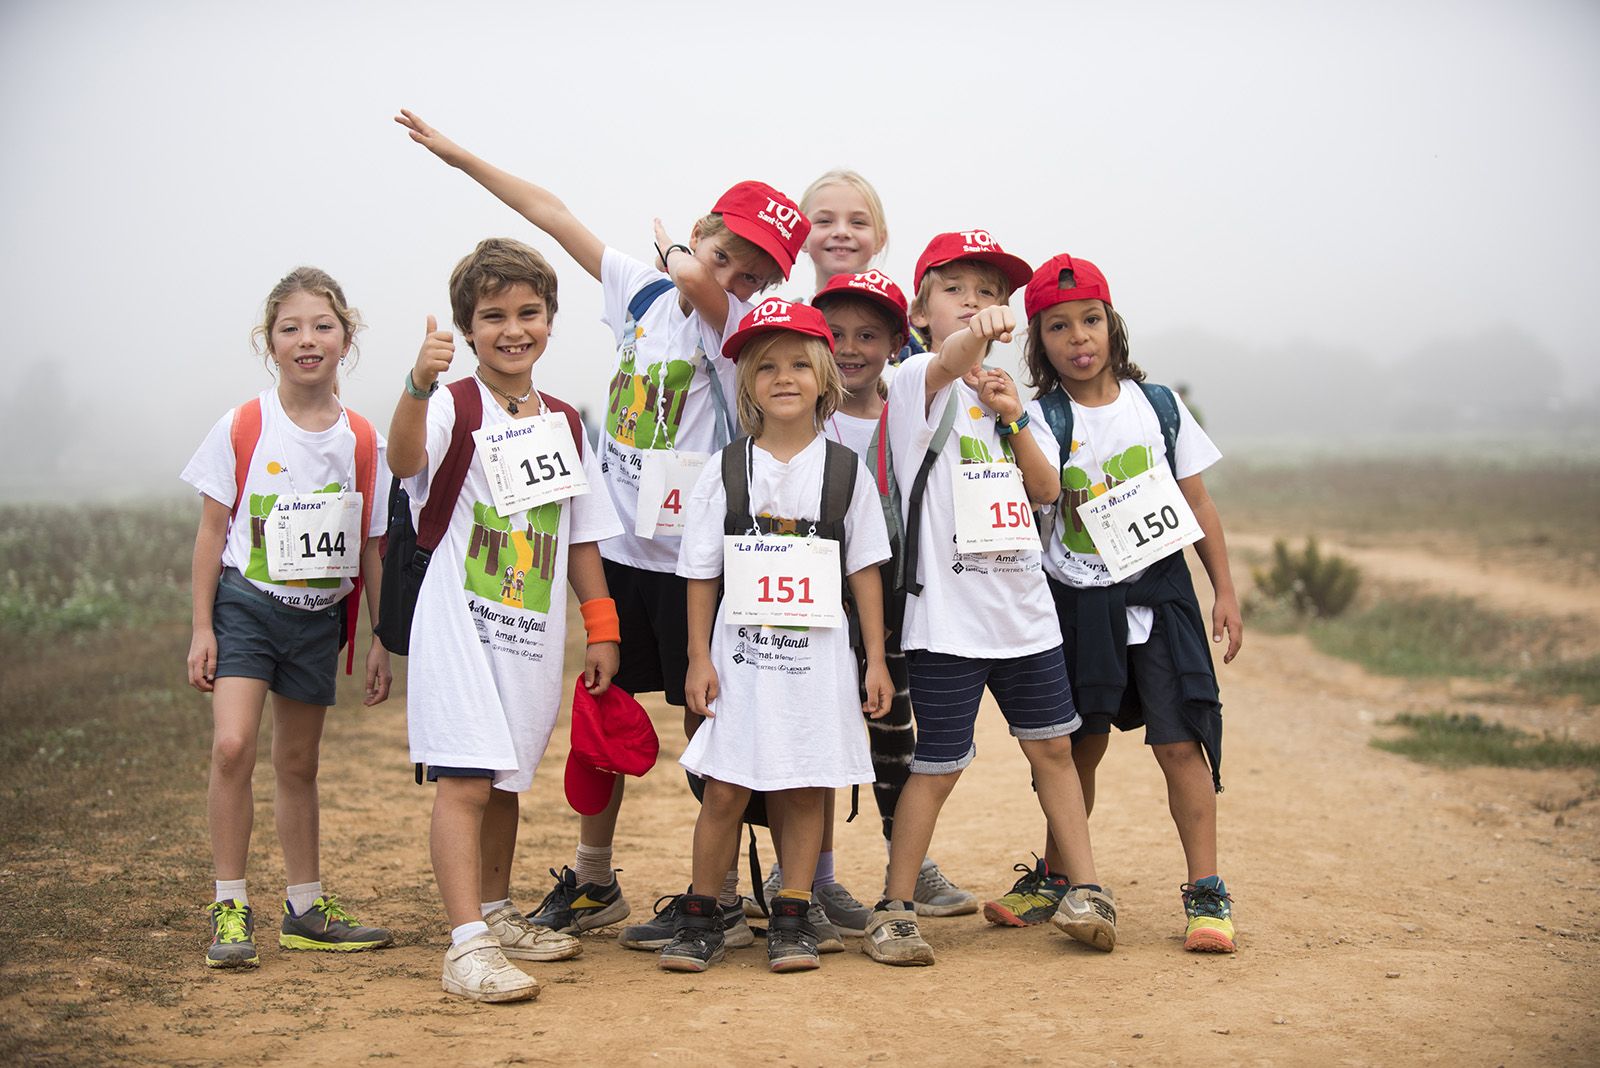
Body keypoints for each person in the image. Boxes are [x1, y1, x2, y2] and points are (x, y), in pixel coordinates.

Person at [395, 109, 809, 939]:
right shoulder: (646, 291)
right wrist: (462, 157)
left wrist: (690, 262)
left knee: (707, 714)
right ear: (701, 231)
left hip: (694, 557)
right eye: (726, 251)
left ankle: (718, 890)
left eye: (754, 271)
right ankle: (593, 876)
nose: (733, 275)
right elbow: (551, 214)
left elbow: (700, 285)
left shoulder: (736, 328)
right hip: (616, 542)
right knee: (598, 717)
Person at [864, 232, 1117, 967]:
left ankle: (1087, 890)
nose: (973, 302)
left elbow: (1046, 491)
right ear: (919, 309)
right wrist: (971, 342)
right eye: (955, 289)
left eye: (987, 291)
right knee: (937, 766)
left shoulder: (1017, 401)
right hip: (946, 620)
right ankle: (895, 908)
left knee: (1055, 751)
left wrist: (1010, 416)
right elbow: (948, 358)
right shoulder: (915, 383)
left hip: (1024, 615)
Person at [388, 237, 623, 1002]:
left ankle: (494, 911)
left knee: (507, 777)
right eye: (493, 316)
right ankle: (465, 948)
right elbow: (403, 463)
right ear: (468, 326)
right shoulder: (455, 405)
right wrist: (417, 387)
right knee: (464, 777)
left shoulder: (563, 420)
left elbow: (581, 533)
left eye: (529, 312)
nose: (512, 329)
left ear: (551, 319)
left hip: (528, 628)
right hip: (459, 619)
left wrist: (602, 625)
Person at [990, 254, 1242, 952]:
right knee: (1076, 746)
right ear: (1039, 341)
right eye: (1059, 327)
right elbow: (1036, 494)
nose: (1079, 339)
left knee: (1180, 743)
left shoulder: (1157, 406)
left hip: (1161, 596)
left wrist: (1222, 589)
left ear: (1112, 324)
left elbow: (1197, 502)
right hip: (1079, 601)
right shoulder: (1039, 417)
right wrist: (1012, 423)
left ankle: (1207, 892)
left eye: (1091, 320)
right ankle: (1058, 874)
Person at [658, 300, 892, 973]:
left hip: (817, 663)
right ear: (748, 385)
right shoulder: (727, 469)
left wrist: (874, 660)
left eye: (797, 364)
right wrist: (699, 656)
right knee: (726, 785)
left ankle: (792, 911)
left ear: (824, 378)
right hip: (741, 662)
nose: (783, 377)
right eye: (766, 368)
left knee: (800, 783)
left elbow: (866, 572)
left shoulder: (846, 474)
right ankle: (704, 912)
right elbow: (701, 573)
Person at [182, 267, 394, 970]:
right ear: (269, 342)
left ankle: (305, 908)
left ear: (346, 338)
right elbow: (212, 534)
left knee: (299, 764)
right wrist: (202, 628)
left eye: (323, 326)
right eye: (290, 328)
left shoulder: (363, 440)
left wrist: (378, 640)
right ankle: (230, 903)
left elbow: (371, 547)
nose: (308, 340)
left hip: (317, 619)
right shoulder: (245, 424)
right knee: (234, 747)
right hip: (245, 606)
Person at [807, 269, 978, 925]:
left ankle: (909, 866)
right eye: (836, 333)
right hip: (813, 608)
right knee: (815, 731)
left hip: (894, 606)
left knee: (894, 736)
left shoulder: (909, 411)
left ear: (896, 342)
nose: (850, 347)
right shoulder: (802, 414)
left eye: (869, 335)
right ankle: (807, 877)